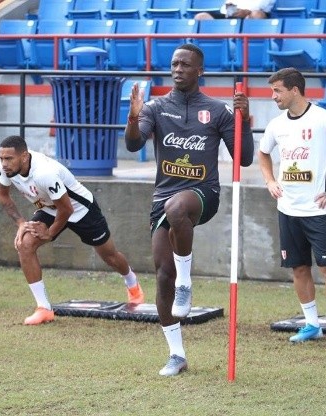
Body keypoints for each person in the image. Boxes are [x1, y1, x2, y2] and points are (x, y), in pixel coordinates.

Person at [124, 43, 255, 376]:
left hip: (203, 194)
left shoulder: (217, 110)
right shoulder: (155, 108)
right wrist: (133, 116)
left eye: (185, 64)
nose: (178, 69)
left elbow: (245, 158)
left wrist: (245, 119)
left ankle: (187, 282)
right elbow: (133, 144)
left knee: (178, 207)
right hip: (163, 202)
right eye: (173, 64)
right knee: (162, 275)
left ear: (200, 71)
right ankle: (177, 354)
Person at [258, 68, 326, 348]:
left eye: (277, 90)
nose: (273, 96)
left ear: (294, 90)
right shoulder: (276, 124)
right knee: (298, 268)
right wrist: (269, 180)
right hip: (287, 210)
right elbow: (263, 152)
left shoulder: (324, 119)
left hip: (317, 211)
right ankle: (312, 325)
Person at [0, 135, 144, 326]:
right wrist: (21, 223)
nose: (4, 164)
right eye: (1, 159)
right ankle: (44, 308)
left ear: (24, 157)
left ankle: (132, 284)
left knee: (109, 256)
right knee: (25, 244)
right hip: (49, 209)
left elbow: (67, 209)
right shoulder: (6, 170)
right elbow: (2, 195)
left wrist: (50, 233)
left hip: (81, 210)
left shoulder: (44, 173)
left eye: (9, 159)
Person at [193, 0, 276, 20]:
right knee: (201, 17)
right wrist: (232, 11)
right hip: (233, 14)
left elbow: (261, 5)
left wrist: (246, 11)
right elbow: (229, 4)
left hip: (251, 15)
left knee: (257, 14)